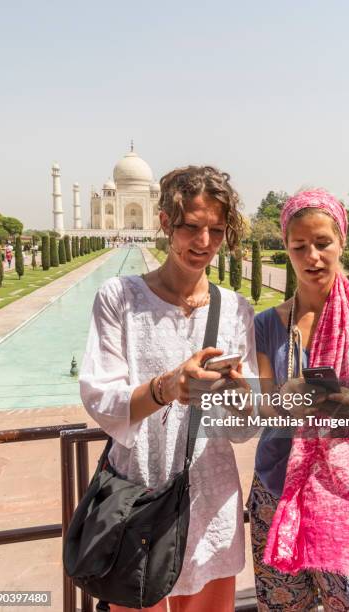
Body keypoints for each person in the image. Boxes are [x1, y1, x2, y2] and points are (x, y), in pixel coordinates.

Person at [79, 165, 259, 612]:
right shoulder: (119, 297)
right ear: (164, 223)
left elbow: (242, 431)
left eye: (216, 230)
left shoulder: (236, 309)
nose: (204, 243)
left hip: (210, 503)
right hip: (138, 504)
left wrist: (239, 398)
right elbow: (101, 397)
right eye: (192, 227)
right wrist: (166, 388)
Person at [248, 189, 349, 611]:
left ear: (342, 241)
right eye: (299, 246)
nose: (312, 256)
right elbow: (266, 408)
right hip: (278, 490)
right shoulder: (268, 324)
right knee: (285, 605)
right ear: (285, 248)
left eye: (323, 243)